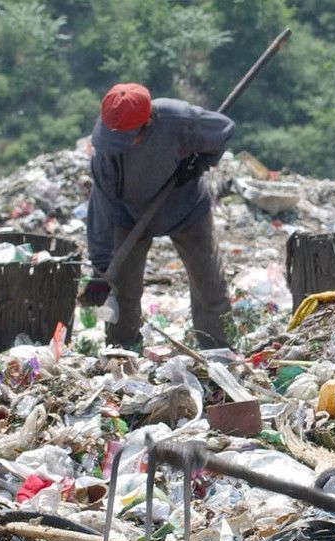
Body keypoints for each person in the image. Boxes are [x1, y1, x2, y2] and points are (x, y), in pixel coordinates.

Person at [84, 83, 235, 350]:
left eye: (128, 138)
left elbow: (222, 130)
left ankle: (220, 351)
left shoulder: (177, 118)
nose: (122, 146)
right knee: (123, 292)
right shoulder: (106, 153)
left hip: (186, 207)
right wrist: (100, 270)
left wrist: (198, 164)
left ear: (149, 122)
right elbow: (101, 210)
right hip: (129, 216)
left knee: (210, 287)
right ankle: (123, 351)